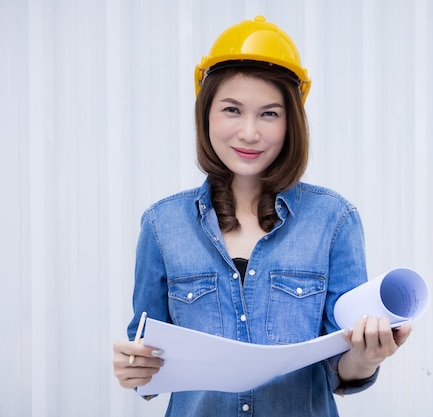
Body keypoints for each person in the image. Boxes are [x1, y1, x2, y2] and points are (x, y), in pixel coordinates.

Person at [113, 15, 412, 416]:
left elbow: (339, 369)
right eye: (232, 109)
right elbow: (147, 369)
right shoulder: (161, 225)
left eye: (269, 114)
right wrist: (134, 368)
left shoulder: (334, 220)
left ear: (291, 122)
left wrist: (367, 357)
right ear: (207, 114)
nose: (249, 133)